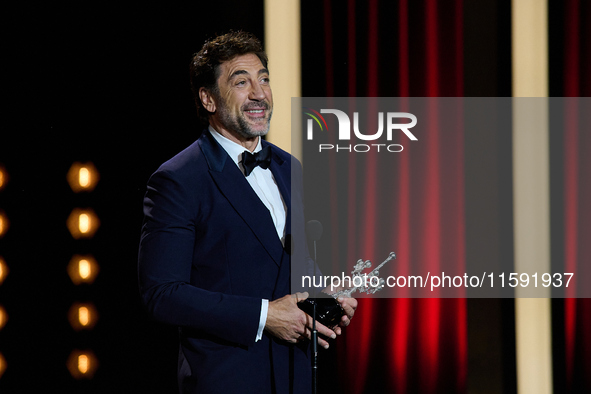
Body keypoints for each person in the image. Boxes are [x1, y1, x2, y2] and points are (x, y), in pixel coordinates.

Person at [138, 31, 357, 394]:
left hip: (296, 377)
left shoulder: (290, 168)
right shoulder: (178, 179)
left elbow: (284, 262)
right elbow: (162, 293)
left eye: (264, 79)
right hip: (227, 379)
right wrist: (264, 316)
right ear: (208, 99)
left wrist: (325, 295)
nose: (259, 93)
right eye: (242, 81)